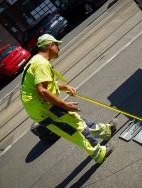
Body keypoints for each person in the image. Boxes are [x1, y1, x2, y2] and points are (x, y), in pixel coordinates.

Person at [20, 34, 117, 164]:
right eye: (57, 45)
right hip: (43, 108)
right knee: (76, 128)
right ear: (50, 45)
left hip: (40, 107)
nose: (59, 49)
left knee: (76, 120)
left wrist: (64, 87)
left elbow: (46, 85)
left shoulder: (36, 60)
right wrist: (64, 105)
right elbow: (42, 91)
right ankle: (99, 153)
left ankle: (105, 131)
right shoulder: (41, 64)